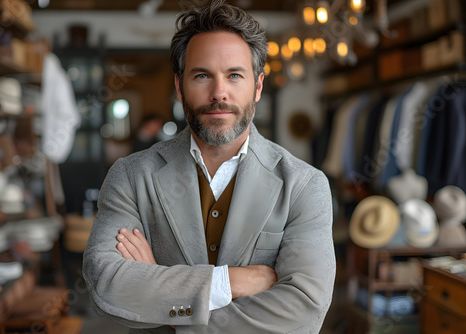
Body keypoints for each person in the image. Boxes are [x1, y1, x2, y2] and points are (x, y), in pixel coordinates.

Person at [83, 1, 336, 333]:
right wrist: (231, 281)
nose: (219, 93)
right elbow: (107, 283)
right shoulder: (131, 176)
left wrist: (166, 303)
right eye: (202, 75)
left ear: (257, 86)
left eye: (234, 75)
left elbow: (304, 312)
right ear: (179, 86)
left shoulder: (305, 185)